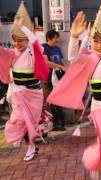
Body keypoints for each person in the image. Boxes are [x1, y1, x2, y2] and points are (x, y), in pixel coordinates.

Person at [47, 0, 101, 179]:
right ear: (91, 41)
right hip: (100, 107)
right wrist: (74, 37)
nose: (99, 45)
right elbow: (72, 57)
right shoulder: (88, 58)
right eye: (96, 41)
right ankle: (96, 162)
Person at [0, 2, 49, 161]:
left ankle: (31, 147)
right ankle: (27, 142)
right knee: (16, 120)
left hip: (33, 94)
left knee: (30, 123)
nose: (17, 43)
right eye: (15, 40)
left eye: (21, 40)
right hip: (18, 94)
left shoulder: (33, 52)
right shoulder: (11, 54)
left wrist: (25, 29)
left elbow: (36, 44)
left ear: (27, 40)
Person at [42, 30, 66, 131]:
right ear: (49, 39)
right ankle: (56, 122)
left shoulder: (57, 49)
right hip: (47, 79)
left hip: (57, 78)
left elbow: (62, 62)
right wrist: (59, 66)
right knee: (51, 101)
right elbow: (45, 62)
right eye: (56, 38)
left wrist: (65, 71)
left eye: (58, 38)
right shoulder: (43, 48)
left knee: (57, 100)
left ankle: (60, 122)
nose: (58, 40)